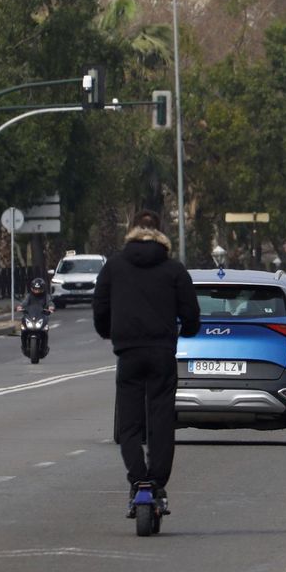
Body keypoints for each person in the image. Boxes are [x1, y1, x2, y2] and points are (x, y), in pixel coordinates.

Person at [93, 209, 200, 519]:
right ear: (161, 232)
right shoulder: (174, 270)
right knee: (162, 421)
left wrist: (108, 332)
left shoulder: (113, 267)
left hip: (128, 354)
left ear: (131, 230)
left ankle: (138, 477)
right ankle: (156, 483)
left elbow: (100, 307)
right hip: (162, 354)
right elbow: (191, 314)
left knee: (129, 424)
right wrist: (187, 331)